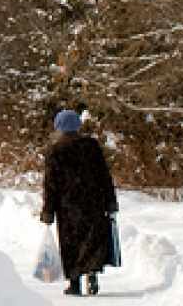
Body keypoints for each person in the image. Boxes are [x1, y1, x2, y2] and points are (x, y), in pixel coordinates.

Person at [39, 109, 119, 296]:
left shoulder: (55, 151)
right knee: (91, 240)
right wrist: (110, 201)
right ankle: (92, 274)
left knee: (70, 244)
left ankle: (74, 284)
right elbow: (104, 176)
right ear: (78, 126)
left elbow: (50, 184)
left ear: (59, 127)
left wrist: (48, 210)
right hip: (93, 202)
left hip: (68, 207)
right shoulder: (91, 146)